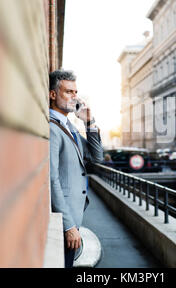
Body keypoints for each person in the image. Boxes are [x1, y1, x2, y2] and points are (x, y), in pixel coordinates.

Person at [48, 70, 103, 268]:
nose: (75, 96)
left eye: (75, 92)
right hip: (64, 221)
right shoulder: (52, 128)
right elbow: (52, 179)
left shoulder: (69, 127)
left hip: (74, 216)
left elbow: (97, 157)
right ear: (53, 94)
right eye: (68, 92)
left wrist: (89, 122)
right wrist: (68, 225)